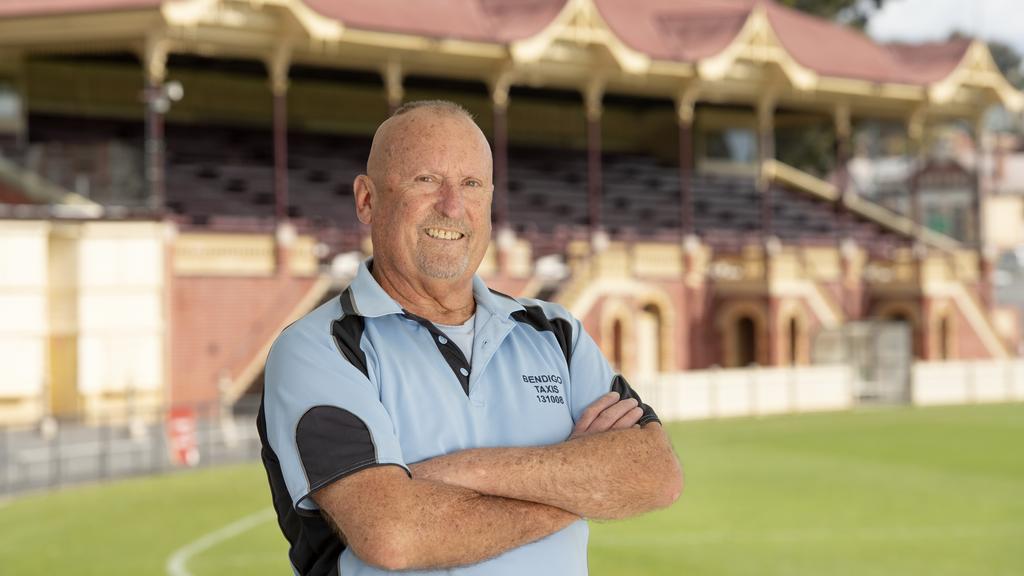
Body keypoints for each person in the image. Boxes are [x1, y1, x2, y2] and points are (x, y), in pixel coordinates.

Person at [258, 100, 683, 576]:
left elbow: (655, 475)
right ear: (367, 200)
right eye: (426, 180)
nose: (452, 206)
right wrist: (579, 487)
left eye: (472, 184)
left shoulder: (556, 333)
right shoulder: (320, 349)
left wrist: (463, 471)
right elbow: (395, 535)